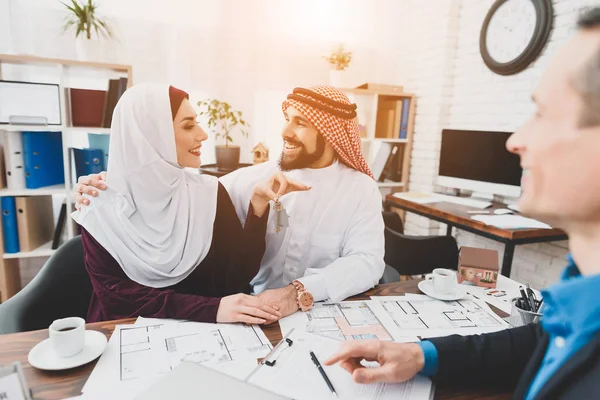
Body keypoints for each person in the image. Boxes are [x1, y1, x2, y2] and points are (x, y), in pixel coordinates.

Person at [325, 8, 600, 399]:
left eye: (543, 113)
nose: (514, 140)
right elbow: (536, 341)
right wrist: (422, 355)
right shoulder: (578, 301)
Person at [75, 85, 386, 318]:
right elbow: (157, 187)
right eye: (287, 119)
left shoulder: (361, 190)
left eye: (300, 123)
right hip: (253, 313)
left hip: (323, 311)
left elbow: (367, 262)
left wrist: (298, 293)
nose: (284, 131)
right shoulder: (250, 179)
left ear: (333, 134)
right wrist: (116, 182)